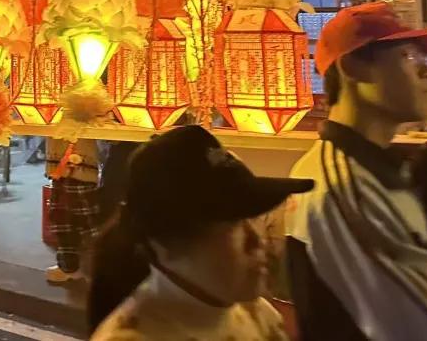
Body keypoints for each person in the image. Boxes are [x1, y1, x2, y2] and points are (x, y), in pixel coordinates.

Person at [285, 2, 427, 340]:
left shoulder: (372, 168)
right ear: (353, 68)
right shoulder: (345, 187)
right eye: (409, 56)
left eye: (426, 59)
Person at [88, 125, 312, 340]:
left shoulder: (257, 313)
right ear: (164, 244)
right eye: (231, 224)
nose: (256, 240)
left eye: (252, 217)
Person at [45, 136, 101, 284]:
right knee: (62, 217)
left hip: (82, 160)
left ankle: (95, 267)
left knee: (87, 221)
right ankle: (70, 267)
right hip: (61, 159)